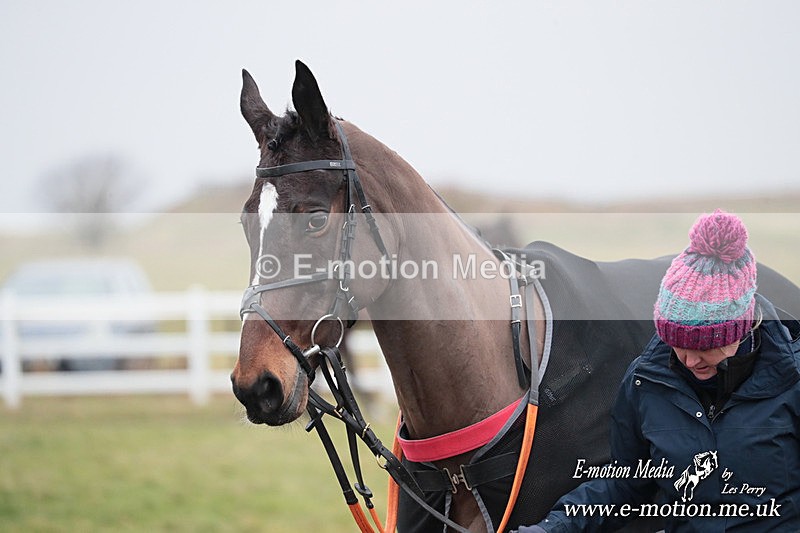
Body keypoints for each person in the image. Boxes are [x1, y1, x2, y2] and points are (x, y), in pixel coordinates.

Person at [514, 209, 800, 532]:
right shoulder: (645, 382)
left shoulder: (792, 379)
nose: (690, 361)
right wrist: (551, 528)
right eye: (678, 345)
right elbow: (623, 485)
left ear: (741, 328)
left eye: (704, 346)